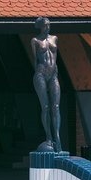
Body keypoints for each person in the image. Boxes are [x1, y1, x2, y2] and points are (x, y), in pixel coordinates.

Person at [31, 16, 62, 152]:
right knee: (46, 107)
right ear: (40, 26)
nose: (47, 27)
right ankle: (48, 136)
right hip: (41, 73)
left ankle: (57, 136)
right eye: (45, 25)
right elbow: (34, 60)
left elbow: (55, 57)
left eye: (49, 25)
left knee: (56, 106)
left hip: (53, 74)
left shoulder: (54, 38)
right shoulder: (35, 41)